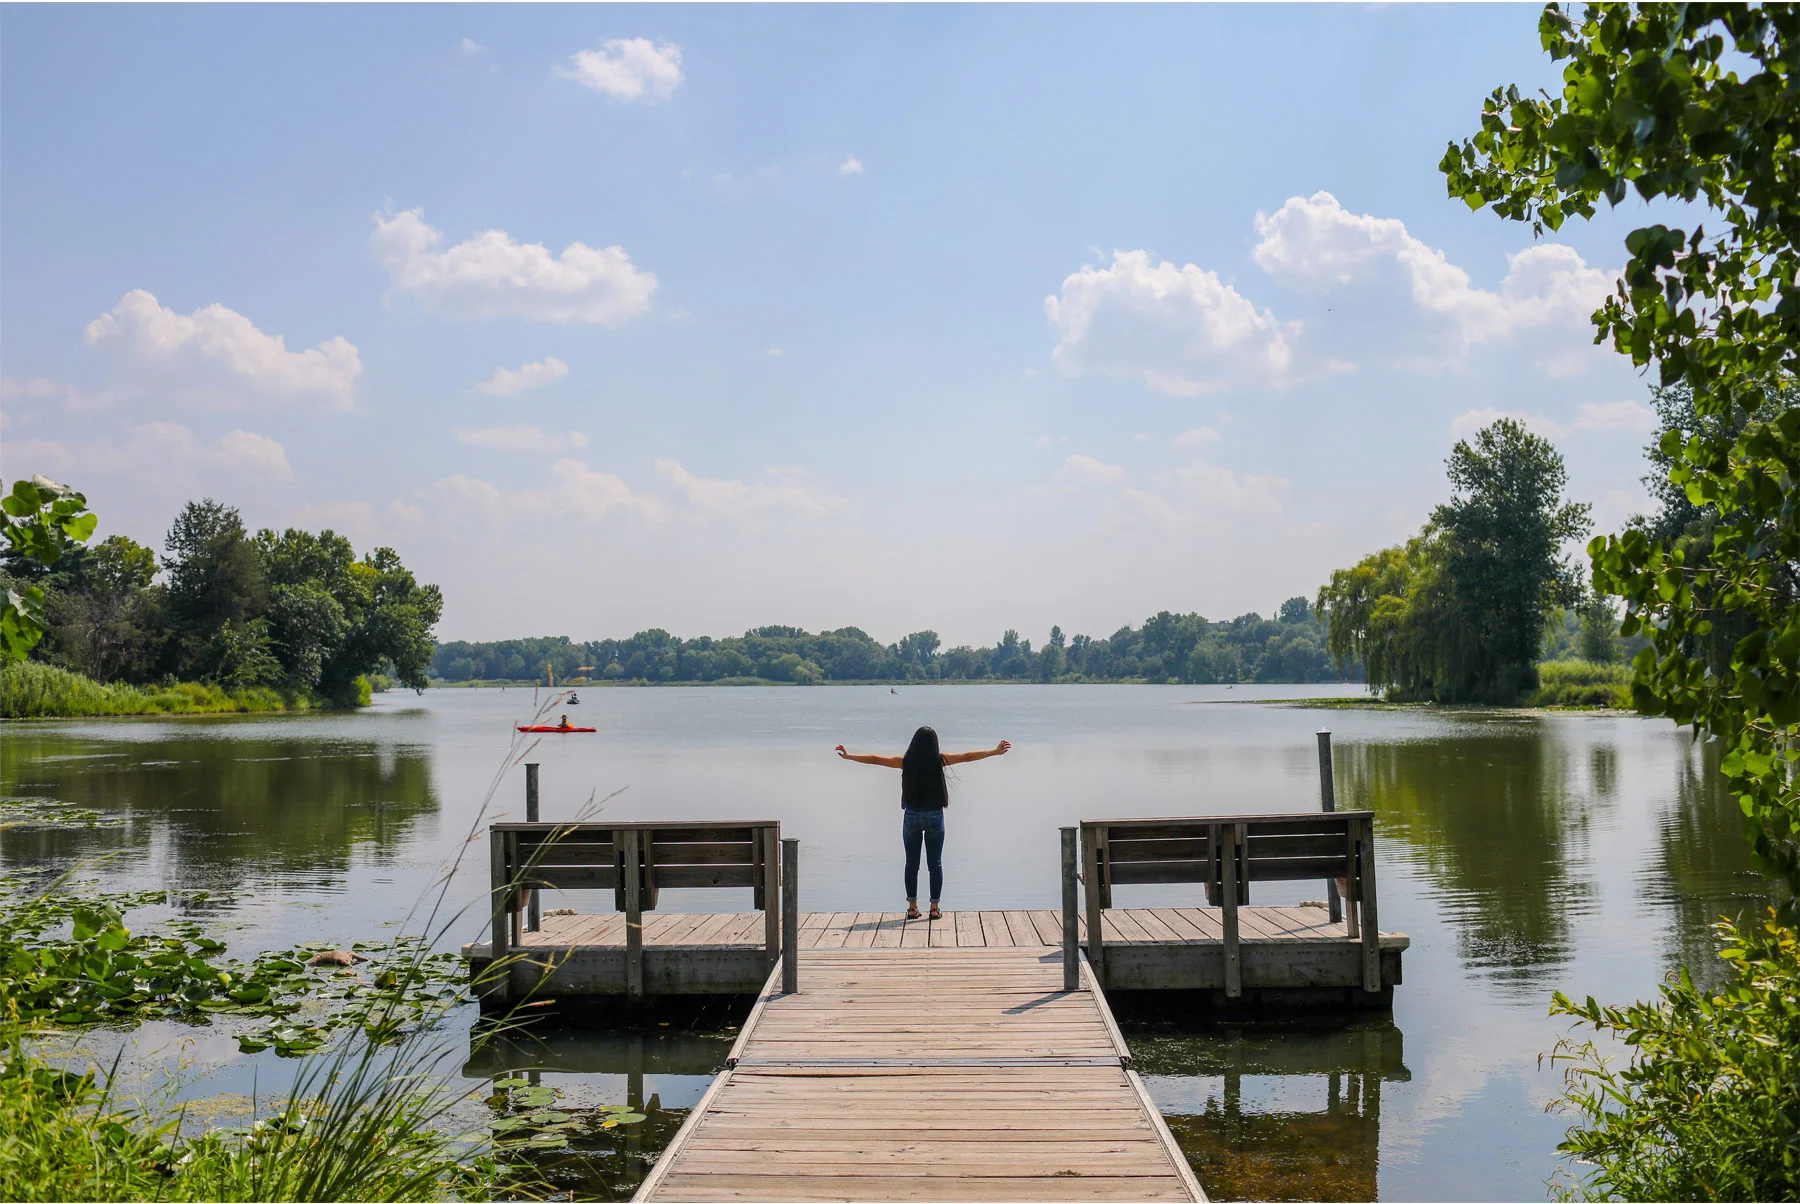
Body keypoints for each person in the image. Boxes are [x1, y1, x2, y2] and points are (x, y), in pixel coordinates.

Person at [834, 727, 1010, 920]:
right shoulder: (940, 760)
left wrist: (849, 756)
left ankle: (912, 908)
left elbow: (876, 759)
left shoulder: (905, 762)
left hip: (912, 816)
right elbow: (967, 756)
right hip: (935, 816)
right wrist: (995, 752)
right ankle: (934, 908)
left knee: (912, 863)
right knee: (935, 864)